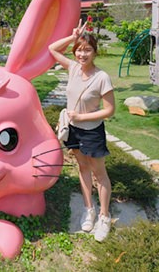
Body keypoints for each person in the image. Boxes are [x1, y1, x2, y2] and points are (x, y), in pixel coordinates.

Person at [49, 18, 115, 242]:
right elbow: (52, 49)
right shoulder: (73, 68)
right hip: (73, 131)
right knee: (83, 168)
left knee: (99, 174)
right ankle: (89, 210)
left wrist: (83, 116)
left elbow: (109, 110)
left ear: (95, 52)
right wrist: (73, 36)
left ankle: (104, 217)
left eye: (87, 50)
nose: (82, 54)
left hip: (92, 131)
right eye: (79, 50)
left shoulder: (101, 78)